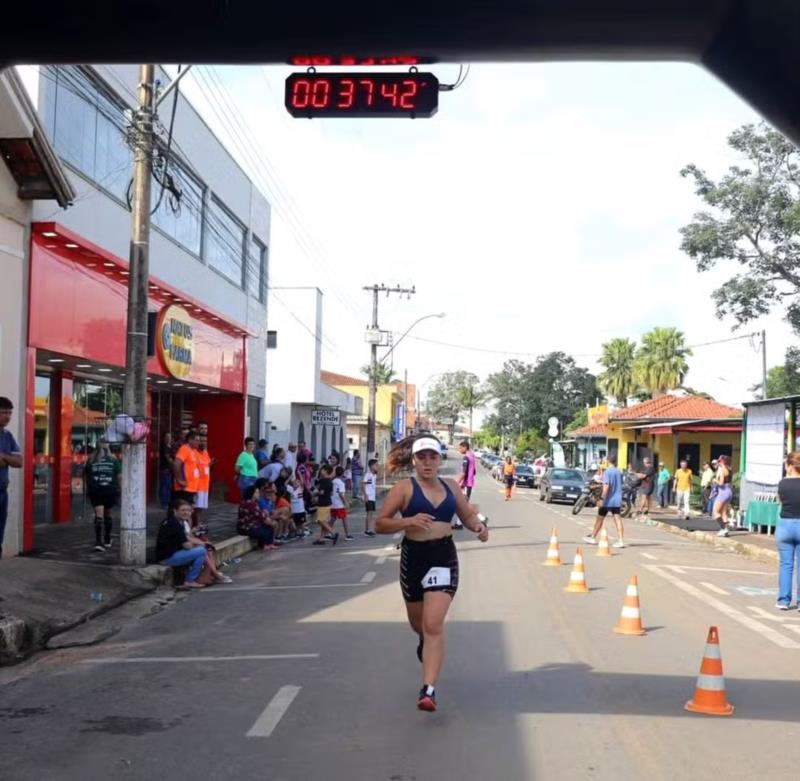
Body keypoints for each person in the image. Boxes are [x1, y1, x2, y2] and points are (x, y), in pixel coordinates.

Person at [376, 434, 488, 712]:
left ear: (440, 459)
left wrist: (478, 527)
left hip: (443, 556)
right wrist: (408, 521)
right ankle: (426, 643)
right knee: (420, 625)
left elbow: (467, 516)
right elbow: (380, 524)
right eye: (421, 457)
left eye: (432, 457)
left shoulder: (451, 487)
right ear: (414, 461)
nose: (427, 462)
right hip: (413, 557)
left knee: (434, 623)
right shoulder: (404, 488)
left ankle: (428, 690)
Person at [156, 498, 208, 589]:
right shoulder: (175, 524)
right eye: (183, 510)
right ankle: (190, 580)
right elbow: (187, 546)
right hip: (167, 558)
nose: (186, 513)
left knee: (201, 553)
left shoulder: (173, 521)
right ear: (175, 511)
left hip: (170, 555)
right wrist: (197, 545)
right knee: (202, 550)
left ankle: (190, 580)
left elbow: (187, 539)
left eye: (188, 510)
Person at [583, 453, 626, 548]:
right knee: (618, 519)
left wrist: (602, 498)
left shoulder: (607, 472)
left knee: (599, 518)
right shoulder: (619, 472)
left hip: (608, 500)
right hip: (617, 500)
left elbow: (606, 486)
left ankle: (593, 537)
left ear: (608, 461)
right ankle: (621, 540)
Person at [85, 441, 122, 551]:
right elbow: (120, 477)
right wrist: (121, 489)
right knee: (108, 513)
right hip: (110, 490)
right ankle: (107, 539)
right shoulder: (114, 460)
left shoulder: (91, 460)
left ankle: (98, 542)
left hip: (96, 490)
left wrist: (88, 488)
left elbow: (86, 476)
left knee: (98, 515)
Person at [776, 451, 800, 610]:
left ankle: (783, 601)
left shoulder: (782, 483)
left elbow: (780, 502)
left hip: (784, 525)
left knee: (786, 565)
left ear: (790, 466)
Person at [0, 397, 22, 558]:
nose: (7, 416)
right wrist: (8, 459)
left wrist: (3, 457)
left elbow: (19, 461)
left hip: (2, 491)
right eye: (3, 413)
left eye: (9, 413)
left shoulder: (7, 436)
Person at [237, 484, 279, 551]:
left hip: (253, 525)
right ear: (252, 494)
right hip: (247, 527)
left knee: (269, 527)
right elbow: (261, 516)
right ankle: (264, 545)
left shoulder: (253, 502)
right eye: (256, 492)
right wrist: (271, 522)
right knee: (266, 529)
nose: (258, 494)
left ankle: (270, 544)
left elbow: (261, 514)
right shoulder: (250, 504)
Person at [313, 464, 339, 546]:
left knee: (320, 521)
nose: (321, 471)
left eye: (322, 470)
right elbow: (331, 493)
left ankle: (333, 533)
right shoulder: (330, 481)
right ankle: (321, 539)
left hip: (323, 503)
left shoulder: (323, 480)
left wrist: (314, 494)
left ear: (326, 471)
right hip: (328, 502)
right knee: (323, 521)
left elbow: (321, 492)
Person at [173, 430, 201, 504]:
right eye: (197, 440)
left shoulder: (194, 451)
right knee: (183, 510)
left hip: (192, 487)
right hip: (185, 488)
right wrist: (179, 479)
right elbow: (176, 464)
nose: (199, 442)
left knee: (189, 510)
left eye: (199, 440)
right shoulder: (184, 449)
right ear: (190, 440)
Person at [712, 454, 734, 536]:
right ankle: (726, 530)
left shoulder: (722, 469)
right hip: (729, 491)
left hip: (723, 492)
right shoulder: (729, 469)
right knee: (724, 512)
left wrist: (715, 480)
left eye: (719, 461)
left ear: (722, 462)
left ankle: (723, 528)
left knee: (716, 512)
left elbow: (721, 483)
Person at [194, 436, 213, 525]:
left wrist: (211, 464)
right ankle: (196, 526)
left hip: (205, 485)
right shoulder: (194, 452)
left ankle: (198, 525)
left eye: (205, 441)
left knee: (200, 508)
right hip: (197, 486)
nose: (204, 443)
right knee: (195, 508)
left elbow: (207, 465)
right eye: (201, 441)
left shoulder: (205, 452)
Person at [331, 465, 353, 540]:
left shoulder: (333, 481)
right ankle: (347, 535)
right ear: (342, 473)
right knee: (344, 519)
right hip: (339, 504)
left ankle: (326, 532)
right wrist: (345, 502)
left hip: (333, 503)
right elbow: (341, 494)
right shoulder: (341, 483)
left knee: (333, 519)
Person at [158, 431, 176, 509]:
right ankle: (164, 503)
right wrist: (175, 464)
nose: (169, 439)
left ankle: (168, 502)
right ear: (164, 438)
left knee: (168, 486)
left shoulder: (170, 446)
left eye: (170, 437)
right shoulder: (164, 447)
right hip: (165, 469)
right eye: (167, 437)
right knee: (165, 486)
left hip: (170, 469)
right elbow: (168, 458)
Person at [362, 458, 379, 536]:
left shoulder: (374, 475)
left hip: (372, 497)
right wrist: (365, 495)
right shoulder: (368, 475)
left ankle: (368, 529)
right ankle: (368, 530)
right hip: (368, 496)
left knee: (370, 513)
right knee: (369, 513)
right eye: (376, 465)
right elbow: (363, 485)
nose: (377, 466)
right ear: (371, 466)